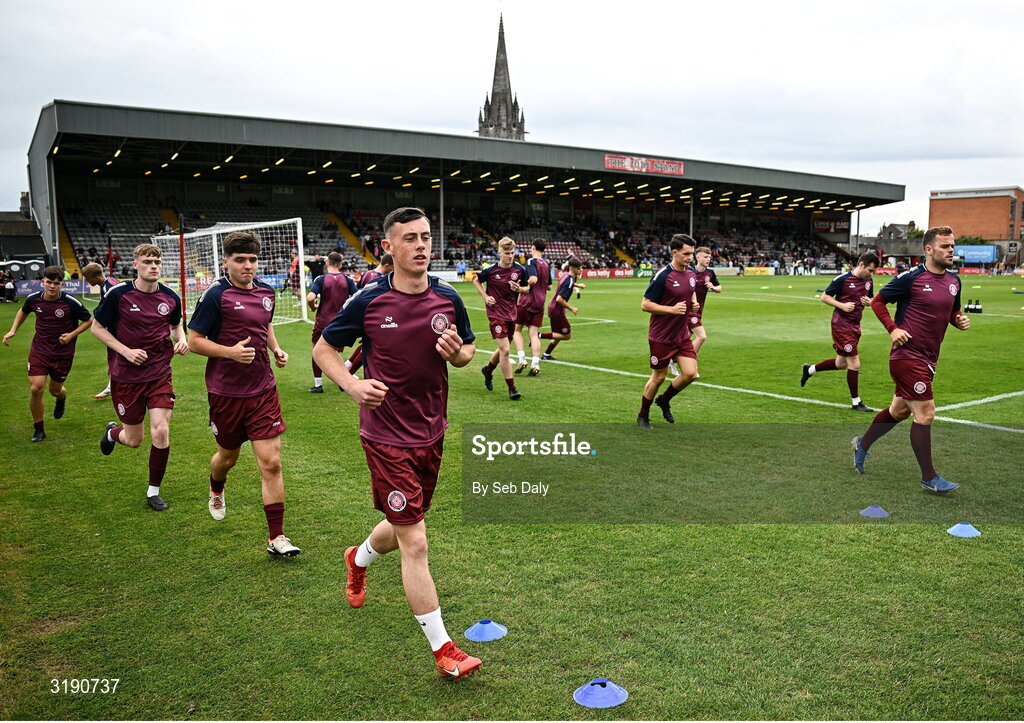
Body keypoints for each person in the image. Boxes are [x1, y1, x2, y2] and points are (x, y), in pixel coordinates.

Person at [313, 207, 482, 681]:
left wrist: (459, 354)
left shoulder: (447, 296)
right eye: (409, 238)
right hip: (385, 434)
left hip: (432, 429)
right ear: (388, 248)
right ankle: (444, 648)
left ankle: (358, 556)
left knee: (405, 519)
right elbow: (324, 349)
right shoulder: (369, 300)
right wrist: (351, 384)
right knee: (416, 539)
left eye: (426, 237)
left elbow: (467, 348)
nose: (421, 246)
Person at [187, 231, 300, 555]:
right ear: (226, 262)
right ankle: (216, 486)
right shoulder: (215, 295)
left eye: (252, 259)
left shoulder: (266, 292)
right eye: (240, 260)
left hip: (263, 389)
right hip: (225, 393)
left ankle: (276, 538)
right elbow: (194, 340)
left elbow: (264, 324)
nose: (247, 265)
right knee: (228, 457)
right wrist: (229, 352)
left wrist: (276, 349)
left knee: (272, 463)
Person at [852, 227, 970, 493]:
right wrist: (893, 328)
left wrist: (958, 320)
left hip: (929, 358)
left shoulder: (954, 282)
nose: (951, 250)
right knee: (925, 413)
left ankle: (863, 444)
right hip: (907, 356)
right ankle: (929, 477)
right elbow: (879, 302)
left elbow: (952, 311)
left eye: (952, 245)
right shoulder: (911, 278)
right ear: (928, 250)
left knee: (899, 411)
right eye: (944, 246)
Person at [92, 245, 188, 511]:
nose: (153, 266)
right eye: (147, 261)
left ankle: (153, 491)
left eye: (157, 261)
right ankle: (112, 434)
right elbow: (97, 328)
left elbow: (175, 324)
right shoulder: (118, 294)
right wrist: (125, 351)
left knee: (161, 430)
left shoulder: (170, 296)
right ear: (135, 265)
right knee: (134, 440)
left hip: (159, 372)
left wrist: (182, 340)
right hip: (126, 376)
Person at [3, 266, 92, 442]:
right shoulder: (33, 299)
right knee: (36, 388)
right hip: (40, 350)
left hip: (63, 353)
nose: (52, 286)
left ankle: (61, 397)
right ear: (43, 282)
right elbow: (24, 311)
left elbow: (88, 320)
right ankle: (39, 429)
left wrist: (71, 335)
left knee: (55, 390)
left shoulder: (70, 302)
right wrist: (13, 330)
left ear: (62, 284)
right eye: (49, 282)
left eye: (56, 283)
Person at [800, 252, 880, 411]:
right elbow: (824, 296)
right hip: (841, 326)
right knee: (855, 364)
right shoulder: (842, 279)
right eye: (870, 270)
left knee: (841, 364)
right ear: (862, 265)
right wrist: (842, 305)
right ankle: (856, 402)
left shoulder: (868, 281)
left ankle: (810, 369)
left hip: (855, 325)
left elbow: (870, 299)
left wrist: (869, 302)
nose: (871, 274)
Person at [637, 235, 700, 429]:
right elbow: (645, 305)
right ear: (674, 252)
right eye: (686, 253)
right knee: (659, 377)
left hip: (681, 334)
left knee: (691, 374)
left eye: (692, 253)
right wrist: (671, 310)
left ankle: (664, 400)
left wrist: (694, 302)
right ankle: (643, 415)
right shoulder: (663, 275)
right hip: (661, 336)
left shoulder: (690, 272)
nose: (690, 257)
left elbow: (690, 290)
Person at [473, 237, 527, 400]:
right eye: (507, 253)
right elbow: (476, 280)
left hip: (511, 314)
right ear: (499, 253)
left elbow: (526, 288)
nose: (510, 256)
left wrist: (520, 289)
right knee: (505, 350)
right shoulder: (490, 270)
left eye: (512, 253)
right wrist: (485, 296)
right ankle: (512, 388)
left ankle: (488, 370)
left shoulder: (519, 270)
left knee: (504, 348)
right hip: (495, 314)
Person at [306, 252, 357, 392]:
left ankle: (318, 385)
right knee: (334, 352)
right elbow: (358, 297)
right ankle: (344, 380)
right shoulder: (348, 280)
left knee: (317, 351)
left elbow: (310, 298)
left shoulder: (321, 279)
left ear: (327, 263)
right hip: (340, 323)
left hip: (323, 322)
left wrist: (313, 307)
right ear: (341, 265)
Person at [345, 254, 394, 375]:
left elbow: (357, 293)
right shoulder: (379, 278)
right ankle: (349, 373)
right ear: (387, 265)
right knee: (370, 347)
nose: (393, 270)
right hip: (373, 317)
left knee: (365, 345)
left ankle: (348, 365)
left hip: (364, 314)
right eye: (392, 267)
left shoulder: (367, 273)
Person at [512, 239, 551, 376]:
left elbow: (533, 279)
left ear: (533, 247)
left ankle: (522, 359)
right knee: (534, 334)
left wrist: (525, 284)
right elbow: (550, 286)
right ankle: (535, 363)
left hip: (527, 301)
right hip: (540, 303)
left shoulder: (530, 261)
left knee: (517, 330)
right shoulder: (546, 264)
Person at [82, 262, 121, 399]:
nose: (87, 282)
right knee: (115, 356)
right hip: (118, 326)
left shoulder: (108, 287)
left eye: (88, 279)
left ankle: (115, 386)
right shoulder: (110, 281)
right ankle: (112, 385)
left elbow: (110, 308)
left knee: (116, 356)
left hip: (119, 328)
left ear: (94, 277)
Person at [540, 257, 585, 360]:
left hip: (553, 308)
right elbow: (559, 299)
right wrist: (571, 308)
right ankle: (538, 336)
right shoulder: (569, 279)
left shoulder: (566, 275)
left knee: (559, 334)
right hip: (557, 310)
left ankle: (546, 354)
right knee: (566, 335)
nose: (580, 270)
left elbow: (568, 284)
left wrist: (578, 284)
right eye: (579, 268)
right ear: (573, 268)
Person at [687, 246, 722, 357]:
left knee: (685, 338)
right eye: (705, 257)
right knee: (701, 336)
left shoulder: (710, 273)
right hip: (688, 310)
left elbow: (719, 288)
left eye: (709, 257)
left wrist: (713, 287)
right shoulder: (688, 271)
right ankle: (688, 359)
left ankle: (670, 359)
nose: (708, 259)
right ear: (698, 257)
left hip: (699, 311)